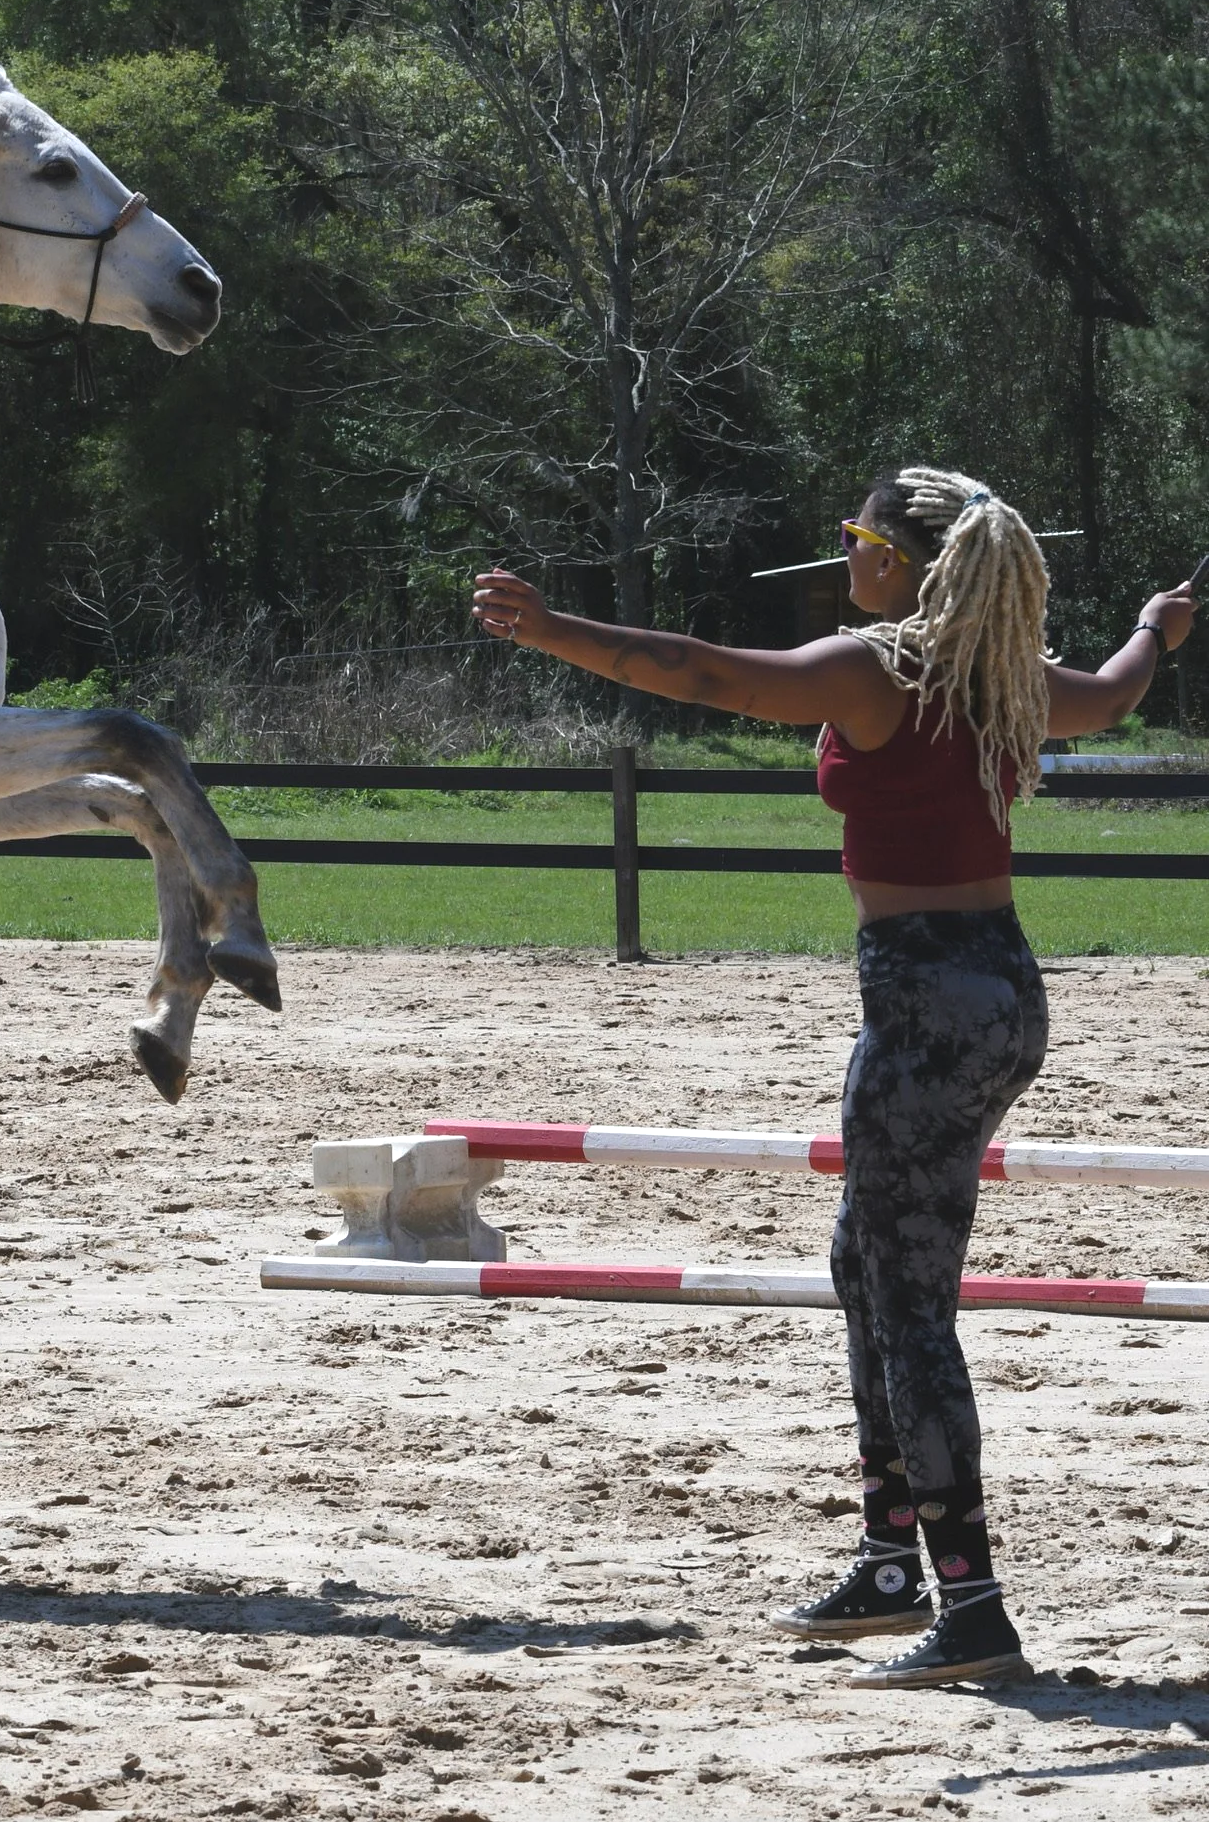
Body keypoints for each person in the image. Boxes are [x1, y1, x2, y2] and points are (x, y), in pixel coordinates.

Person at [472, 466, 1196, 1688]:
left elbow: (701, 672)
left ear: (906, 563)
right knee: (861, 1262)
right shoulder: (995, 674)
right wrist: (1152, 630)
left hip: (924, 1003)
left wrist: (557, 631)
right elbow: (1116, 698)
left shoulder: (878, 669)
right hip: (990, 988)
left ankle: (969, 1603)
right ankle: (889, 1553)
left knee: (910, 1306)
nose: (844, 549)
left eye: (859, 535)